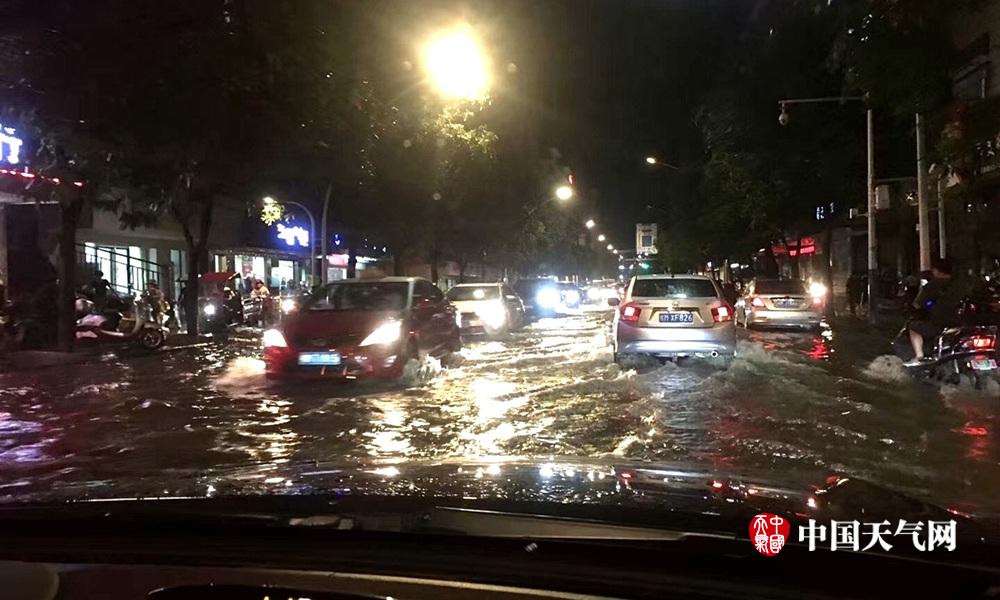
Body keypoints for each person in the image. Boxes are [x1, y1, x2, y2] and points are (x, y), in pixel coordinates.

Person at [904, 258, 961, 367]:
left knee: (913, 327)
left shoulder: (932, 286)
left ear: (938, 271)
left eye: (934, 270)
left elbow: (918, 304)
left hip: (939, 324)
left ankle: (919, 357)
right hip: (961, 323)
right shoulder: (960, 285)